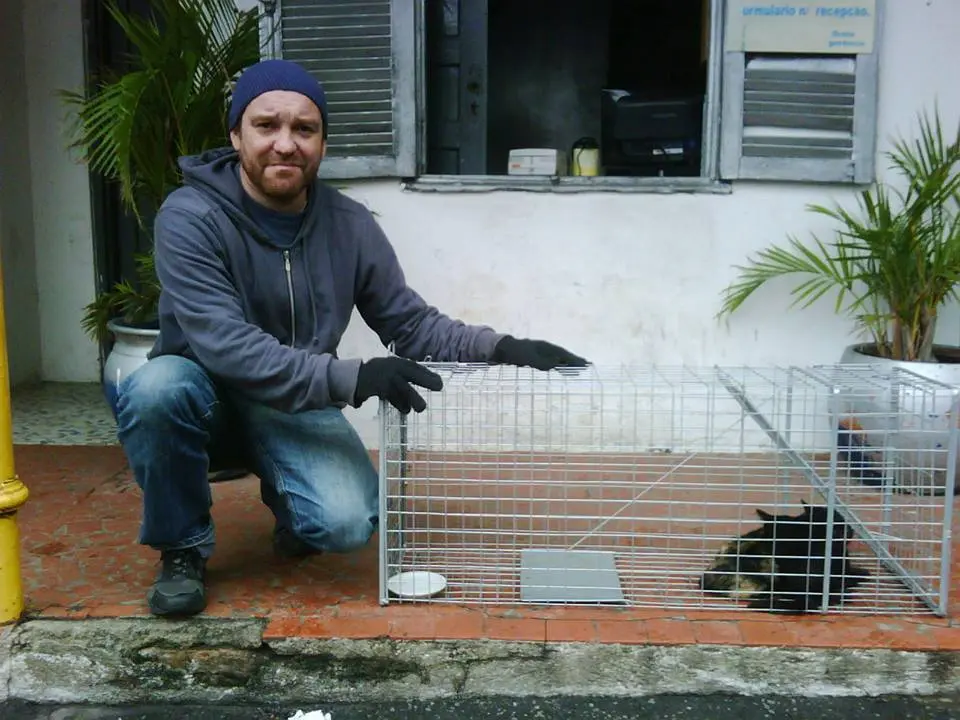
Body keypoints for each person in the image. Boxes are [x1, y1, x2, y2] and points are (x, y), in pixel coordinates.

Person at [115, 59, 587, 618]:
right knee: (154, 388)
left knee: (345, 522)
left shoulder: (349, 224)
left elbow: (408, 323)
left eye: (304, 129)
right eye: (267, 125)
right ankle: (182, 547)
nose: (286, 144)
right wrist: (354, 377)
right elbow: (224, 343)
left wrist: (501, 346)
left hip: (292, 400)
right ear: (235, 134)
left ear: (322, 142)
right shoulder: (190, 215)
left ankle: (293, 505)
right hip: (205, 389)